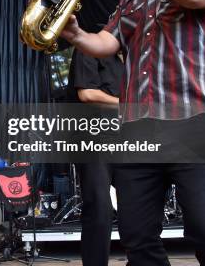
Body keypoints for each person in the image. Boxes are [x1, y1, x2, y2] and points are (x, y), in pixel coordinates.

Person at [60, 0, 205, 265]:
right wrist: (76, 35)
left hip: (196, 122)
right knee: (137, 236)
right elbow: (104, 44)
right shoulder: (134, 2)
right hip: (139, 131)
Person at [67, 46, 122, 266]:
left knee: (139, 208)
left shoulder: (137, 57)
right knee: (100, 209)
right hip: (93, 137)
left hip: (127, 137)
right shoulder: (92, 47)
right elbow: (87, 94)